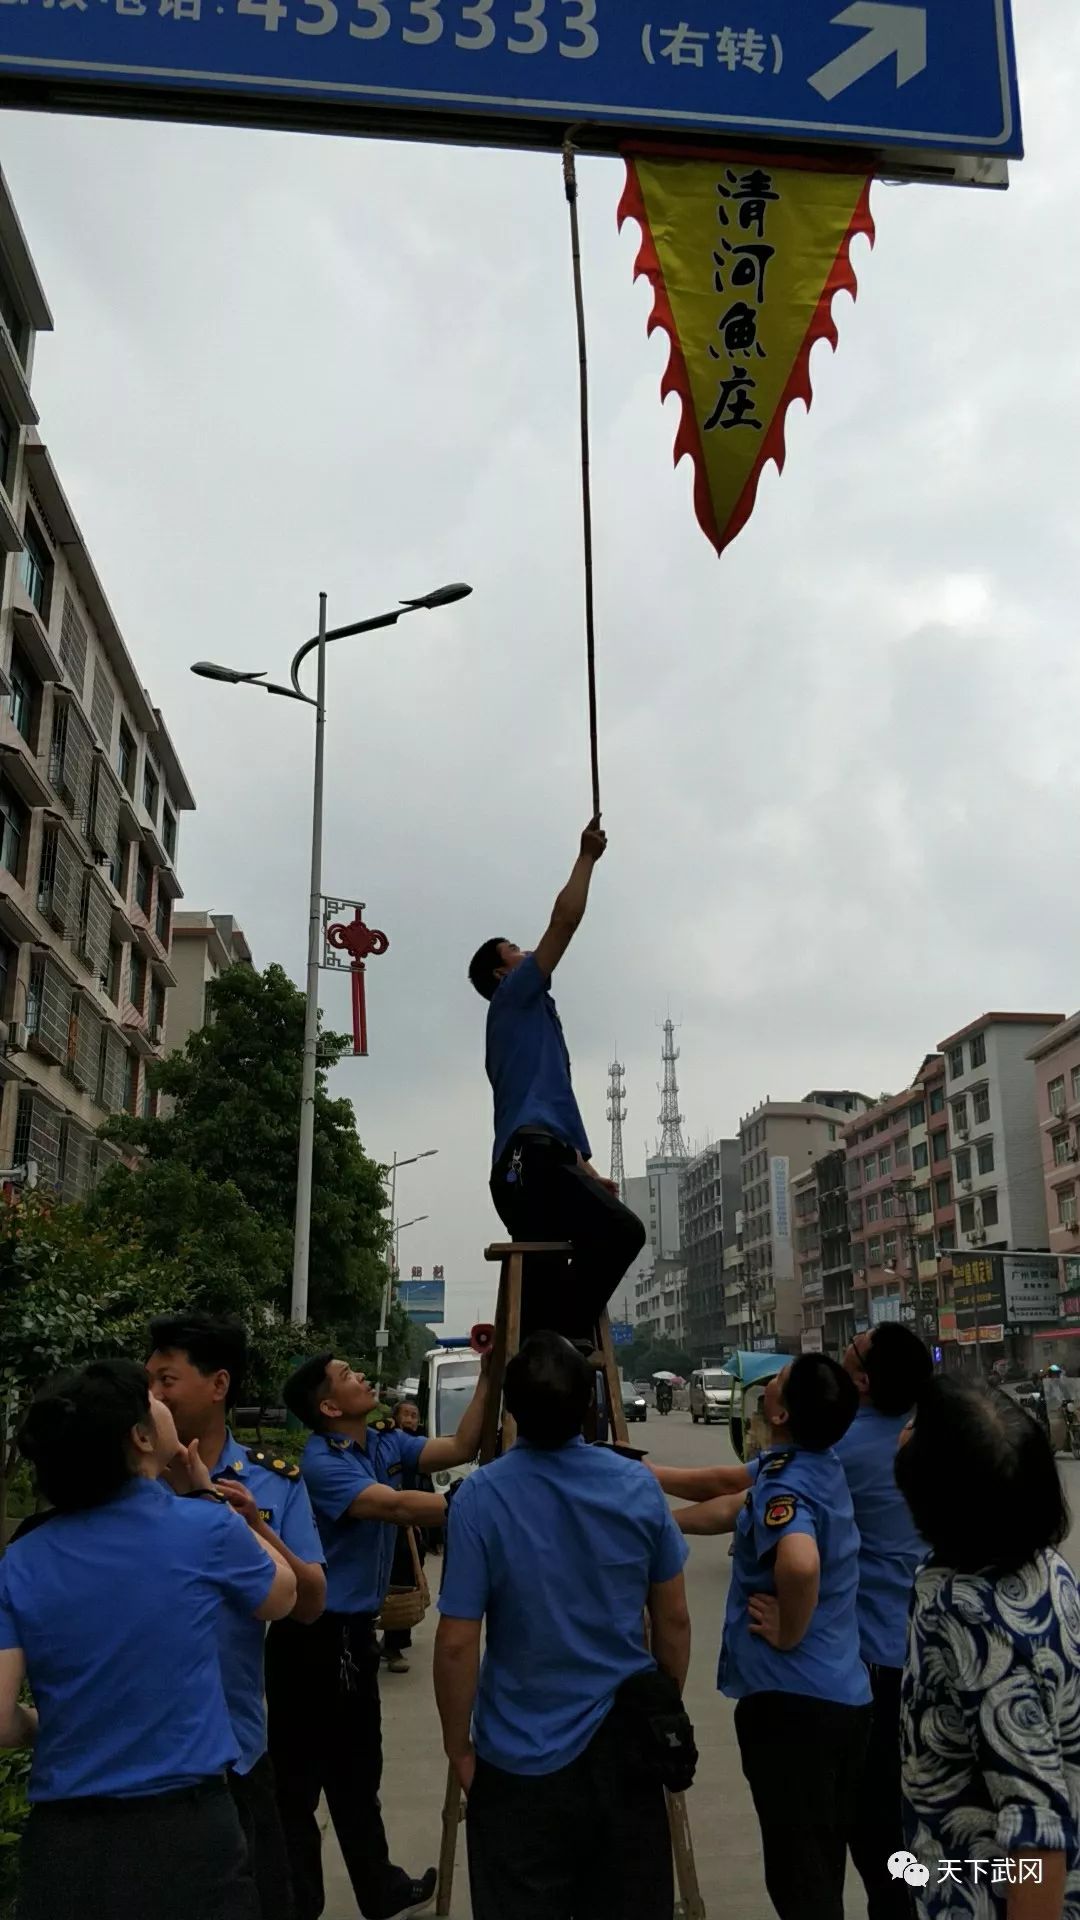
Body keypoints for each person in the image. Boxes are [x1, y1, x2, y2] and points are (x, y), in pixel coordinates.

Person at [0, 1359, 296, 1920]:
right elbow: (281, 1597)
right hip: (188, 1832)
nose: (162, 1400)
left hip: (67, 1841)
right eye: (151, 1398)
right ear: (140, 1438)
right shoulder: (201, 1527)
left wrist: (43, 1726)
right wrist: (207, 1496)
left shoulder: (21, 1560)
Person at [434, 1330, 692, 1920]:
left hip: (519, 1759)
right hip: (624, 1750)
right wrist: (661, 1707)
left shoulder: (479, 1499)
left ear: (511, 1411)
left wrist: (460, 1749)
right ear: (592, 1407)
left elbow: (455, 1643)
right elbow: (672, 1619)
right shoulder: (635, 1486)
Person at [270, 1352, 490, 1920]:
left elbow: (460, 1448)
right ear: (327, 1406)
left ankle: (380, 1890)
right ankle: (298, 1902)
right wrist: (471, 1505)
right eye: (348, 1377)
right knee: (299, 1782)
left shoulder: (386, 1442)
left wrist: (492, 1374)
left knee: (358, 1771)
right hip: (312, 1638)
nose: (362, 1377)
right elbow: (392, 1506)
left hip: (353, 1636)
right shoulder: (322, 1463)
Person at [673, 1355, 869, 1920]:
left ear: (780, 1410)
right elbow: (731, 1504)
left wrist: (789, 1628)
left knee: (798, 1876)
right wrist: (649, 1491)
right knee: (820, 1861)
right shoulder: (813, 1463)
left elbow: (800, 1563)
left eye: (778, 1381)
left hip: (793, 1709)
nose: (769, 1382)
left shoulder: (790, 1486)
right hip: (840, 1704)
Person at [147, 1312, 327, 1920]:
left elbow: (310, 1604)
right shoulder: (128, 1486)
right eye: (148, 1382)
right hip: (142, 1754)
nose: (153, 1396)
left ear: (218, 1385)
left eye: (167, 1380)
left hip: (236, 1748)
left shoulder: (272, 1485)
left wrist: (252, 1528)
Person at [895, 1380, 1080, 1917]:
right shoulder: (1041, 1565)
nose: (903, 1432)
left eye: (918, 1429)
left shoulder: (971, 1620)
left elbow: (1038, 1839)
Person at [468, 822, 646, 1342]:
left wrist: (585, 1172)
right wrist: (587, 857)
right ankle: (568, 1339)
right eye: (515, 950)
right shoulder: (513, 998)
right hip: (531, 1167)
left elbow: (545, 1115)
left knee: (548, 1288)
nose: (527, 953)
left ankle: (544, 1357)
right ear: (503, 973)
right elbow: (564, 921)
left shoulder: (530, 1026)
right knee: (622, 1231)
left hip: (530, 1170)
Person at [838, 1324, 933, 1920]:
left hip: (879, 1667)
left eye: (849, 1350)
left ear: (864, 1380)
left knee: (875, 1824)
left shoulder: (840, 1448)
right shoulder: (939, 1437)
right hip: (943, 1657)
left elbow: (742, 1493)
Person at [382, 1400, 425, 1674]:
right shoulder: (384, 1444)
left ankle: (395, 1644)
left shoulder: (420, 1446)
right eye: (405, 1414)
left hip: (410, 1525)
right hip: (382, 1519)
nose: (410, 1419)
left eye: (414, 1415)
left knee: (405, 1581)